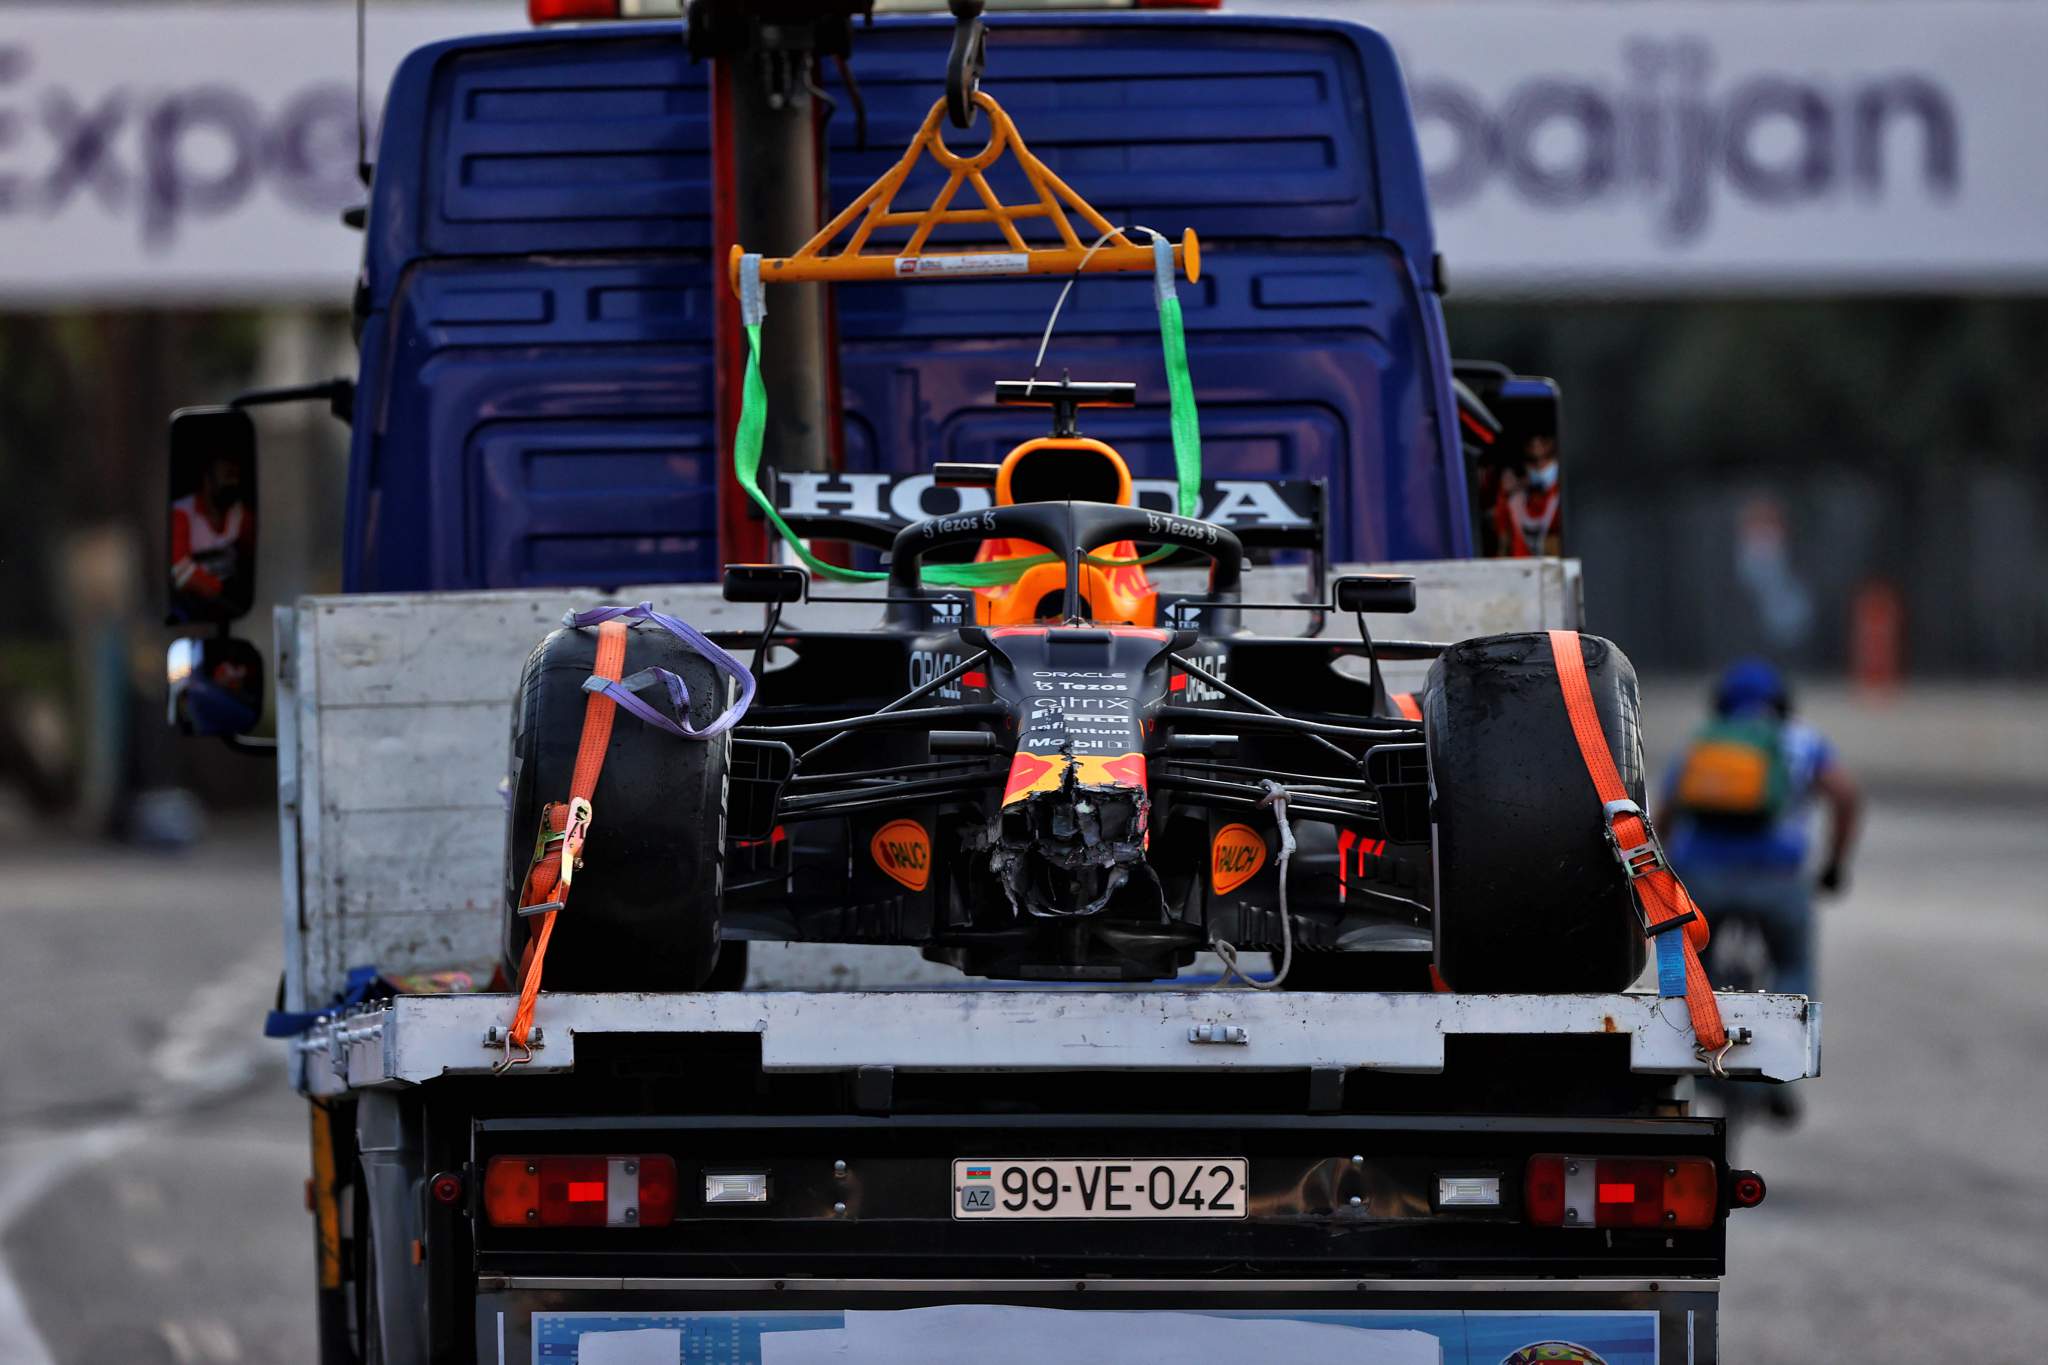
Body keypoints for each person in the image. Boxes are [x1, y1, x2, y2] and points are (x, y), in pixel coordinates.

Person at [1656, 659, 1860, 1002]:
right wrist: (1834, 865)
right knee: (1792, 966)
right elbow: (1845, 796)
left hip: (1703, 877)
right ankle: (1791, 1042)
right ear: (1783, 702)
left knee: (1691, 973)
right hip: (1779, 878)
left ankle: (1689, 1036)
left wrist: (1667, 872)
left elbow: (1666, 810)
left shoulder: (1706, 740)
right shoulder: (1803, 740)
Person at [170, 452, 250, 608]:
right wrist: (222, 590)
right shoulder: (181, 513)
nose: (234, 483)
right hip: (195, 605)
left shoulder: (239, 513)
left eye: (236, 476)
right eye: (228, 475)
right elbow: (180, 573)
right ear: (208, 479)